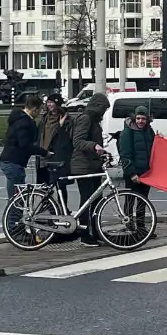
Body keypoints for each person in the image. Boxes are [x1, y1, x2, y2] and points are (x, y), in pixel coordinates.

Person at [70, 92, 111, 247]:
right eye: (103, 109)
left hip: (93, 165)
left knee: (96, 200)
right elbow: (78, 141)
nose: (104, 112)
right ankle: (85, 234)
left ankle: (95, 230)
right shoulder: (85, 119)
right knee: (87, 200)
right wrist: (94, 146)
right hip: (83, 165)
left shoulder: (94, 121)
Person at [0, 94, 49, 199]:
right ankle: (13, 215)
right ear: (35, 109)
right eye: (40, 110)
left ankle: (13, 214)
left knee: (15, 196)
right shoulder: (24, 122)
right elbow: (26, 145)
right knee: (18, 198)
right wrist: (45, 153)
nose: (40, 113)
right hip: (14, 162)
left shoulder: (18, 118)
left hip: (9, 161)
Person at [118, 105, 156, 235]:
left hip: (146, 172)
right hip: (133, 174)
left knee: (142, 201)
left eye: (143, 119)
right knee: (130, 200)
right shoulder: (127, 132)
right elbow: (125, 155)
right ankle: (129, 226)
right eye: (138, 118)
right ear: (135, 118)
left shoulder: (149, 131)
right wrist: (132, 173)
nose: (141, 121)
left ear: (147, 120)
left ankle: (141, 228)